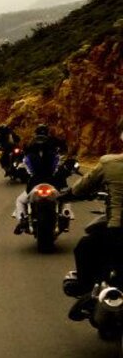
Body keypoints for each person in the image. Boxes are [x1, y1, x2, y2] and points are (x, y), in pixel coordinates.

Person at [65, 118, 123, 317]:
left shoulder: (109, 163)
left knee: (85, 247)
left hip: (117, 230)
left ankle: (87, 291)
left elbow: (81, 188)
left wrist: (67, 194)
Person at [13, 125, 70, 233]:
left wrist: (20, 171)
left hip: (35, 184)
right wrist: (66, 171)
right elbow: (61, 166)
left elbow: (24, 166)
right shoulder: (54, 155)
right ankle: (65, 215)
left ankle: (22, 219)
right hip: (53, 183)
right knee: (65, 198)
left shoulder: (30, 155)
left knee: (20, 200)